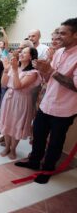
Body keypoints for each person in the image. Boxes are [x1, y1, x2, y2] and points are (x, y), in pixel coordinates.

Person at [15, 18, 77, 184]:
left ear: (76, 35)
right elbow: (50, 78)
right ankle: (34, 161)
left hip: (64, 109)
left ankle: (47, 169)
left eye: (63, 33)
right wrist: (43, 71)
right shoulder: (59, 52)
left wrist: (50, 71)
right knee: (38, 135)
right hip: (47, 104)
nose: (58, 36)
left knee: (55, 142)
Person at [0, 47, 41, 159]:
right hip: (9, 98)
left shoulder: (33, 72)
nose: (21, 54)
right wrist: (6, 70)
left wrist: (15, 70)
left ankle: (13, 149)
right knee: (7, 122)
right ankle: (7, 147)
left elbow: (18, 86)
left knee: (17, 124)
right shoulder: (14, 67)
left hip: (21, 100)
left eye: (24, 52)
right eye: (21, 52)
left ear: (31, 57)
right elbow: (3, 84)